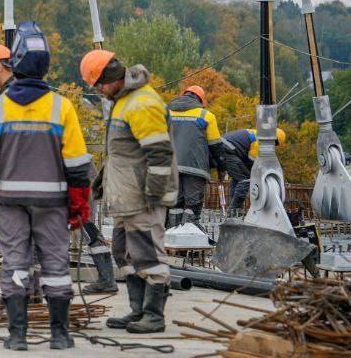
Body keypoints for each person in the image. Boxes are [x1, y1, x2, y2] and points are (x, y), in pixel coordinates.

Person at [0, 22, 91, 351]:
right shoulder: (61, 106)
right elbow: (79, 166)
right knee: (56, 264)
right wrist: (80, 205)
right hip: (52, 203)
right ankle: (60, 334)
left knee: (15, 263)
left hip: (10, 202)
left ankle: (18, 334)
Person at [81, 49, 179, 334]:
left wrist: (154, 194)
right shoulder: (123, 102)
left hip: (143, 197)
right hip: (127, 195)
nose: (97, 89)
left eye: (99, 83)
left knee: (147, 253)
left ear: (112, 76)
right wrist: (102, 180)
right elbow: (122, 153)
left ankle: (153, 315)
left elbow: (159, 153)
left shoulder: (142, 104)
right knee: (124, 253)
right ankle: (137, 311)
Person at [167, 85, 226, 227]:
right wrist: (221, 169)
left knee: (175, 204)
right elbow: (216, 146)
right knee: (192, 204)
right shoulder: (206, 116)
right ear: (200, 100)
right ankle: (188, 235)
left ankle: (172, 234)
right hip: (195, 168)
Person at [222, 127, 285, 214]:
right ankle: (234, 211)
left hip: (226, 148)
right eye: (275, 143)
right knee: (245, 180)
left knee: (238, 179)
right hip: (228, 150)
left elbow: (249, 161)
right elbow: (252, 163)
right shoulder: (259, 142)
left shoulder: (258, 134)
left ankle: (234, 209)